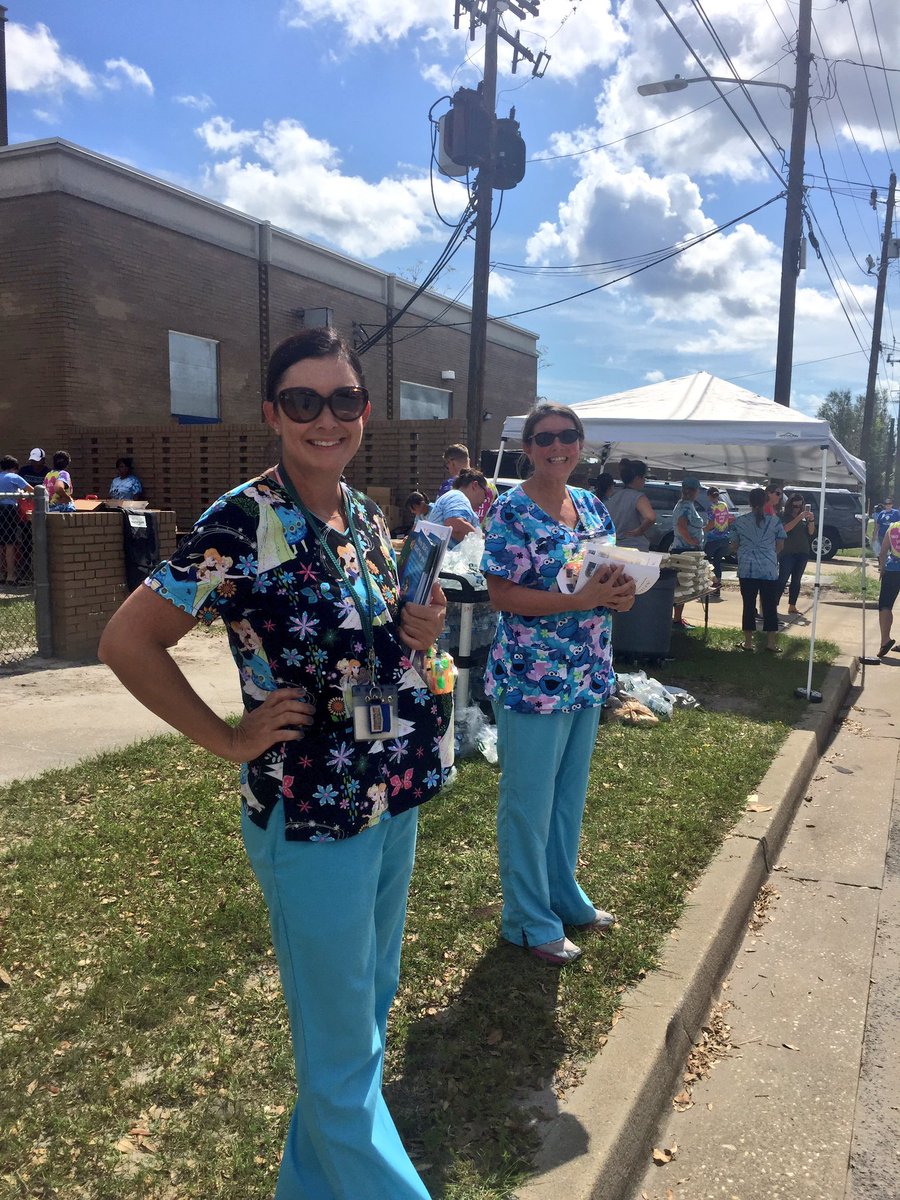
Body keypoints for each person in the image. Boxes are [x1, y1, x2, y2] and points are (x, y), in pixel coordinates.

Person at [98, 326, 450, 1200]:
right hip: (311, 815)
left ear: (364, 411)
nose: (325, 418)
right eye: (303, 401)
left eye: (343, 400)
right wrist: (228, 737)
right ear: (273, 413)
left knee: (362, 1017)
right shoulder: (241, 519)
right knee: (340, 1052)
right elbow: (128, 640)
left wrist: (421, 629)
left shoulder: (364, 515)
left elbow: (373, 648)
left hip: (386, 794)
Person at [481, 403, 636, 966]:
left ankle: (563, 895)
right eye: (545, 438)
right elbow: (502, 595)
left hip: (586, 671)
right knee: (528, 801)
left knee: (567, 797)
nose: (558, 446)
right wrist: (583, 599)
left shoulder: (592, 505)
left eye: (568, 436)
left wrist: (620, 593)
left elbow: (611, 580)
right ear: (528, 447)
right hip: (532, 678)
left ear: (580, 443)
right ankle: (526, 917)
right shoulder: (510, 511)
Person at [731, 487, 786, 653]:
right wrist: (769, 555)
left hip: (747, 569)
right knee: (770, 605)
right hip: (768, 569)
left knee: (748, 605)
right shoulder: (775, 521)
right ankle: (771, 642)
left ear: (749, 502)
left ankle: (748, 642)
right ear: (765, 501)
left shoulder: (739, 522)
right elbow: (781, 544)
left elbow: (734, 545)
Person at [671, 476, 705, 628]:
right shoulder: (685, 506)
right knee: (682, 587)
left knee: (683, 587)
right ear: (694, 491)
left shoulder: (687, 504)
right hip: (684, 550)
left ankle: (678, 619)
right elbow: (681, 524)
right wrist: (691, 541)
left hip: (684, 550)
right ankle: (676, 620)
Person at [427, 467, 490, 546]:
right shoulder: (457, 496)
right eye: (486, 493)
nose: (485, 499)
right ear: (475, 485)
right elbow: (455, 525)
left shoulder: (454, 496)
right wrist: (482, 541)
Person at [602, 458, 655, 550]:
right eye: (644, 477)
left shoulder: (614, 496)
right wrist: (639, 531)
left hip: (614, 545)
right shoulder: (638, 497)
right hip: (634, 547)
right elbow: (651, 517)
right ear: (638, 478)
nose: (644, 481)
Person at [777, 493, 815, 615]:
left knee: (796, 580)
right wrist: (798, 517)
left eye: (800, 506)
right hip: (787, 552)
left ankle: (792, 605)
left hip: (802, 551)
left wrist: (811, 520)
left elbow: (811, 532)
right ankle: (773, 604)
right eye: (795, 506)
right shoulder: (784, 515)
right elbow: (785, 529)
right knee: (782, 579)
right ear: (790, 505)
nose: (797, 508)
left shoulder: (804, 516)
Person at [0, 455, 34, 585]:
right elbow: (33, 490)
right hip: (8, 510)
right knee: (9, 543)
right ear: (14, 468)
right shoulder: (14, 477)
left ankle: (1, 574)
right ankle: (10, 575)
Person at [876, 515, 900, 657]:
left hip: (892, 569)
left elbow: (883, 551)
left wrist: (881, 568)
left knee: (885, 604)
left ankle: (885, 640)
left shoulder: (893, 527)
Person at [703, 486, 733, 594]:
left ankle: (708, 584)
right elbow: (727, 519)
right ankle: (717, 587)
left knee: (704, 561)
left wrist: (704, 530)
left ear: (709, 496)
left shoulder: (711, 507)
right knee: (717, 562)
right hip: (724, 537)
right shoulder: (724, 505)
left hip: (713, 538)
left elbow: (711, 523)